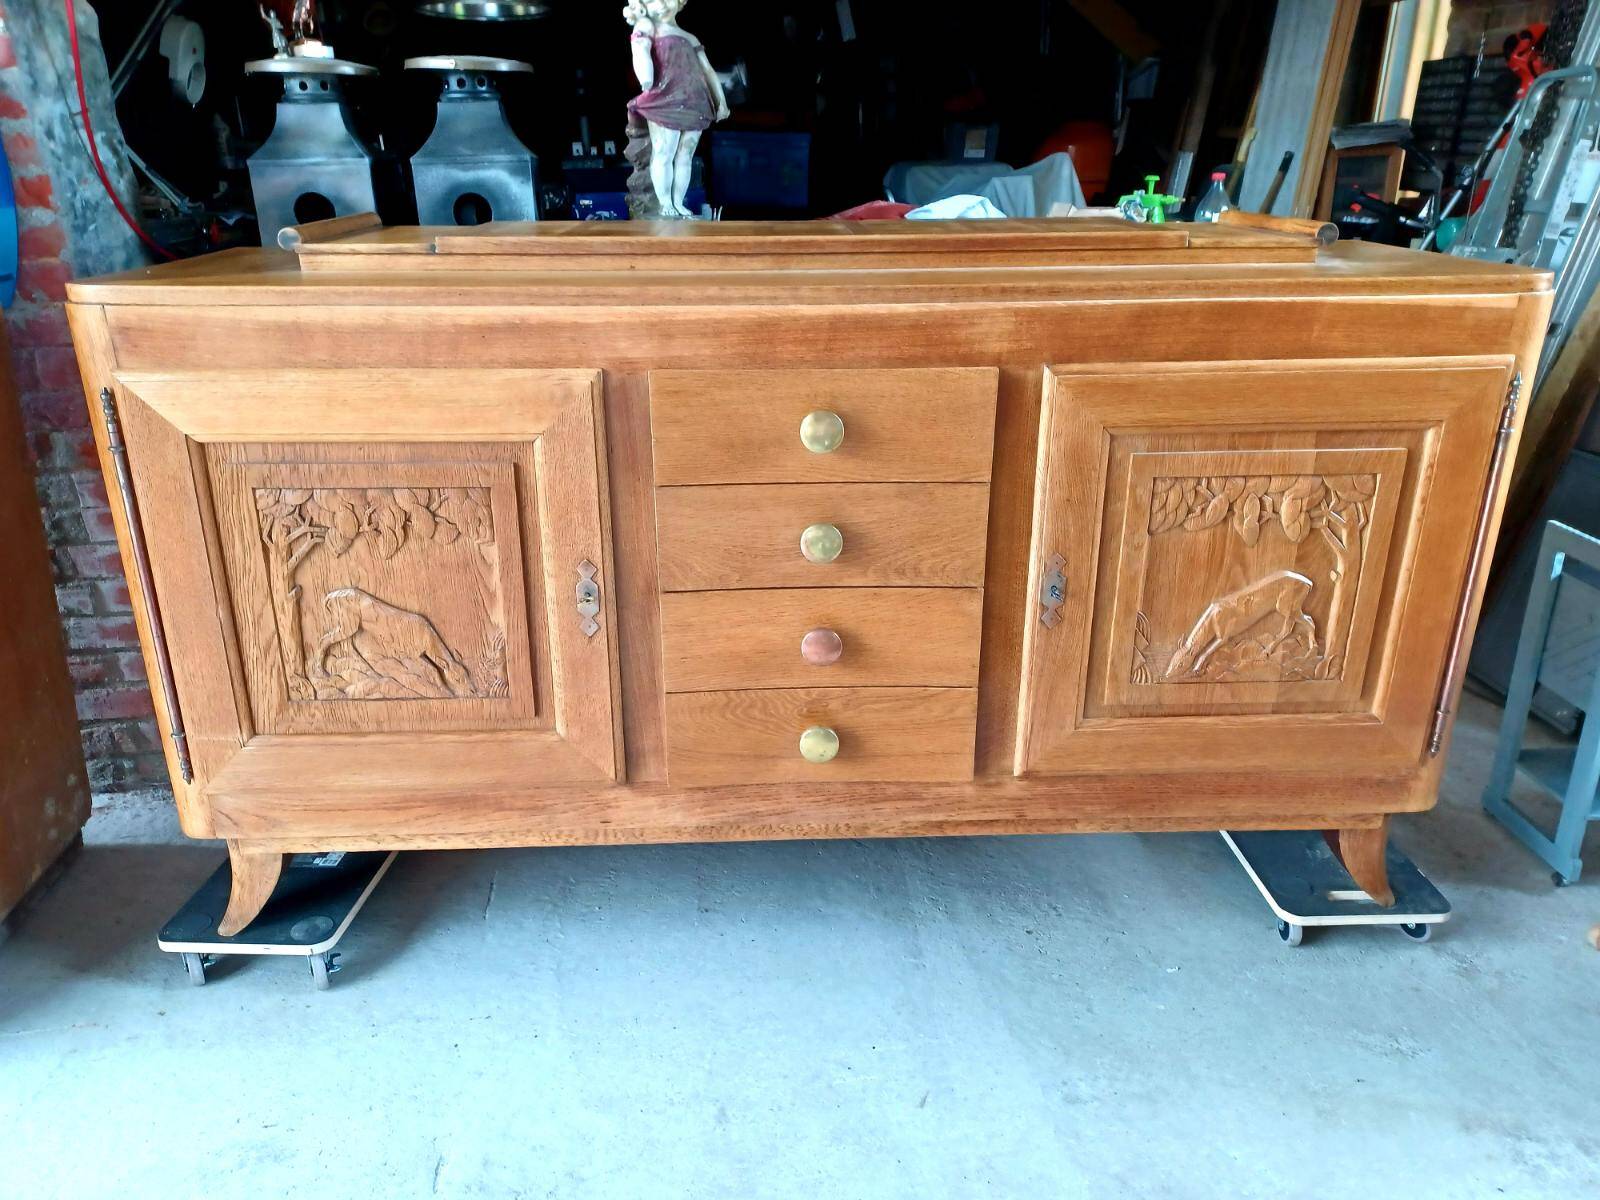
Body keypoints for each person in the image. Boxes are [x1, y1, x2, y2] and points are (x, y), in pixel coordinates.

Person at [624, 0, 729, 218]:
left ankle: (678, 202)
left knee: (686, 154)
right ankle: (664, 203)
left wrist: (722, 101)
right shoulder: (647, 26)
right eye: (653, 0)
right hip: (664, 98)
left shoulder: (691, 38)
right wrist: (645, 77)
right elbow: (640, 51)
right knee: (664, 151)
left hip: (694, 100)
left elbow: (707, 71)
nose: (661, 4)